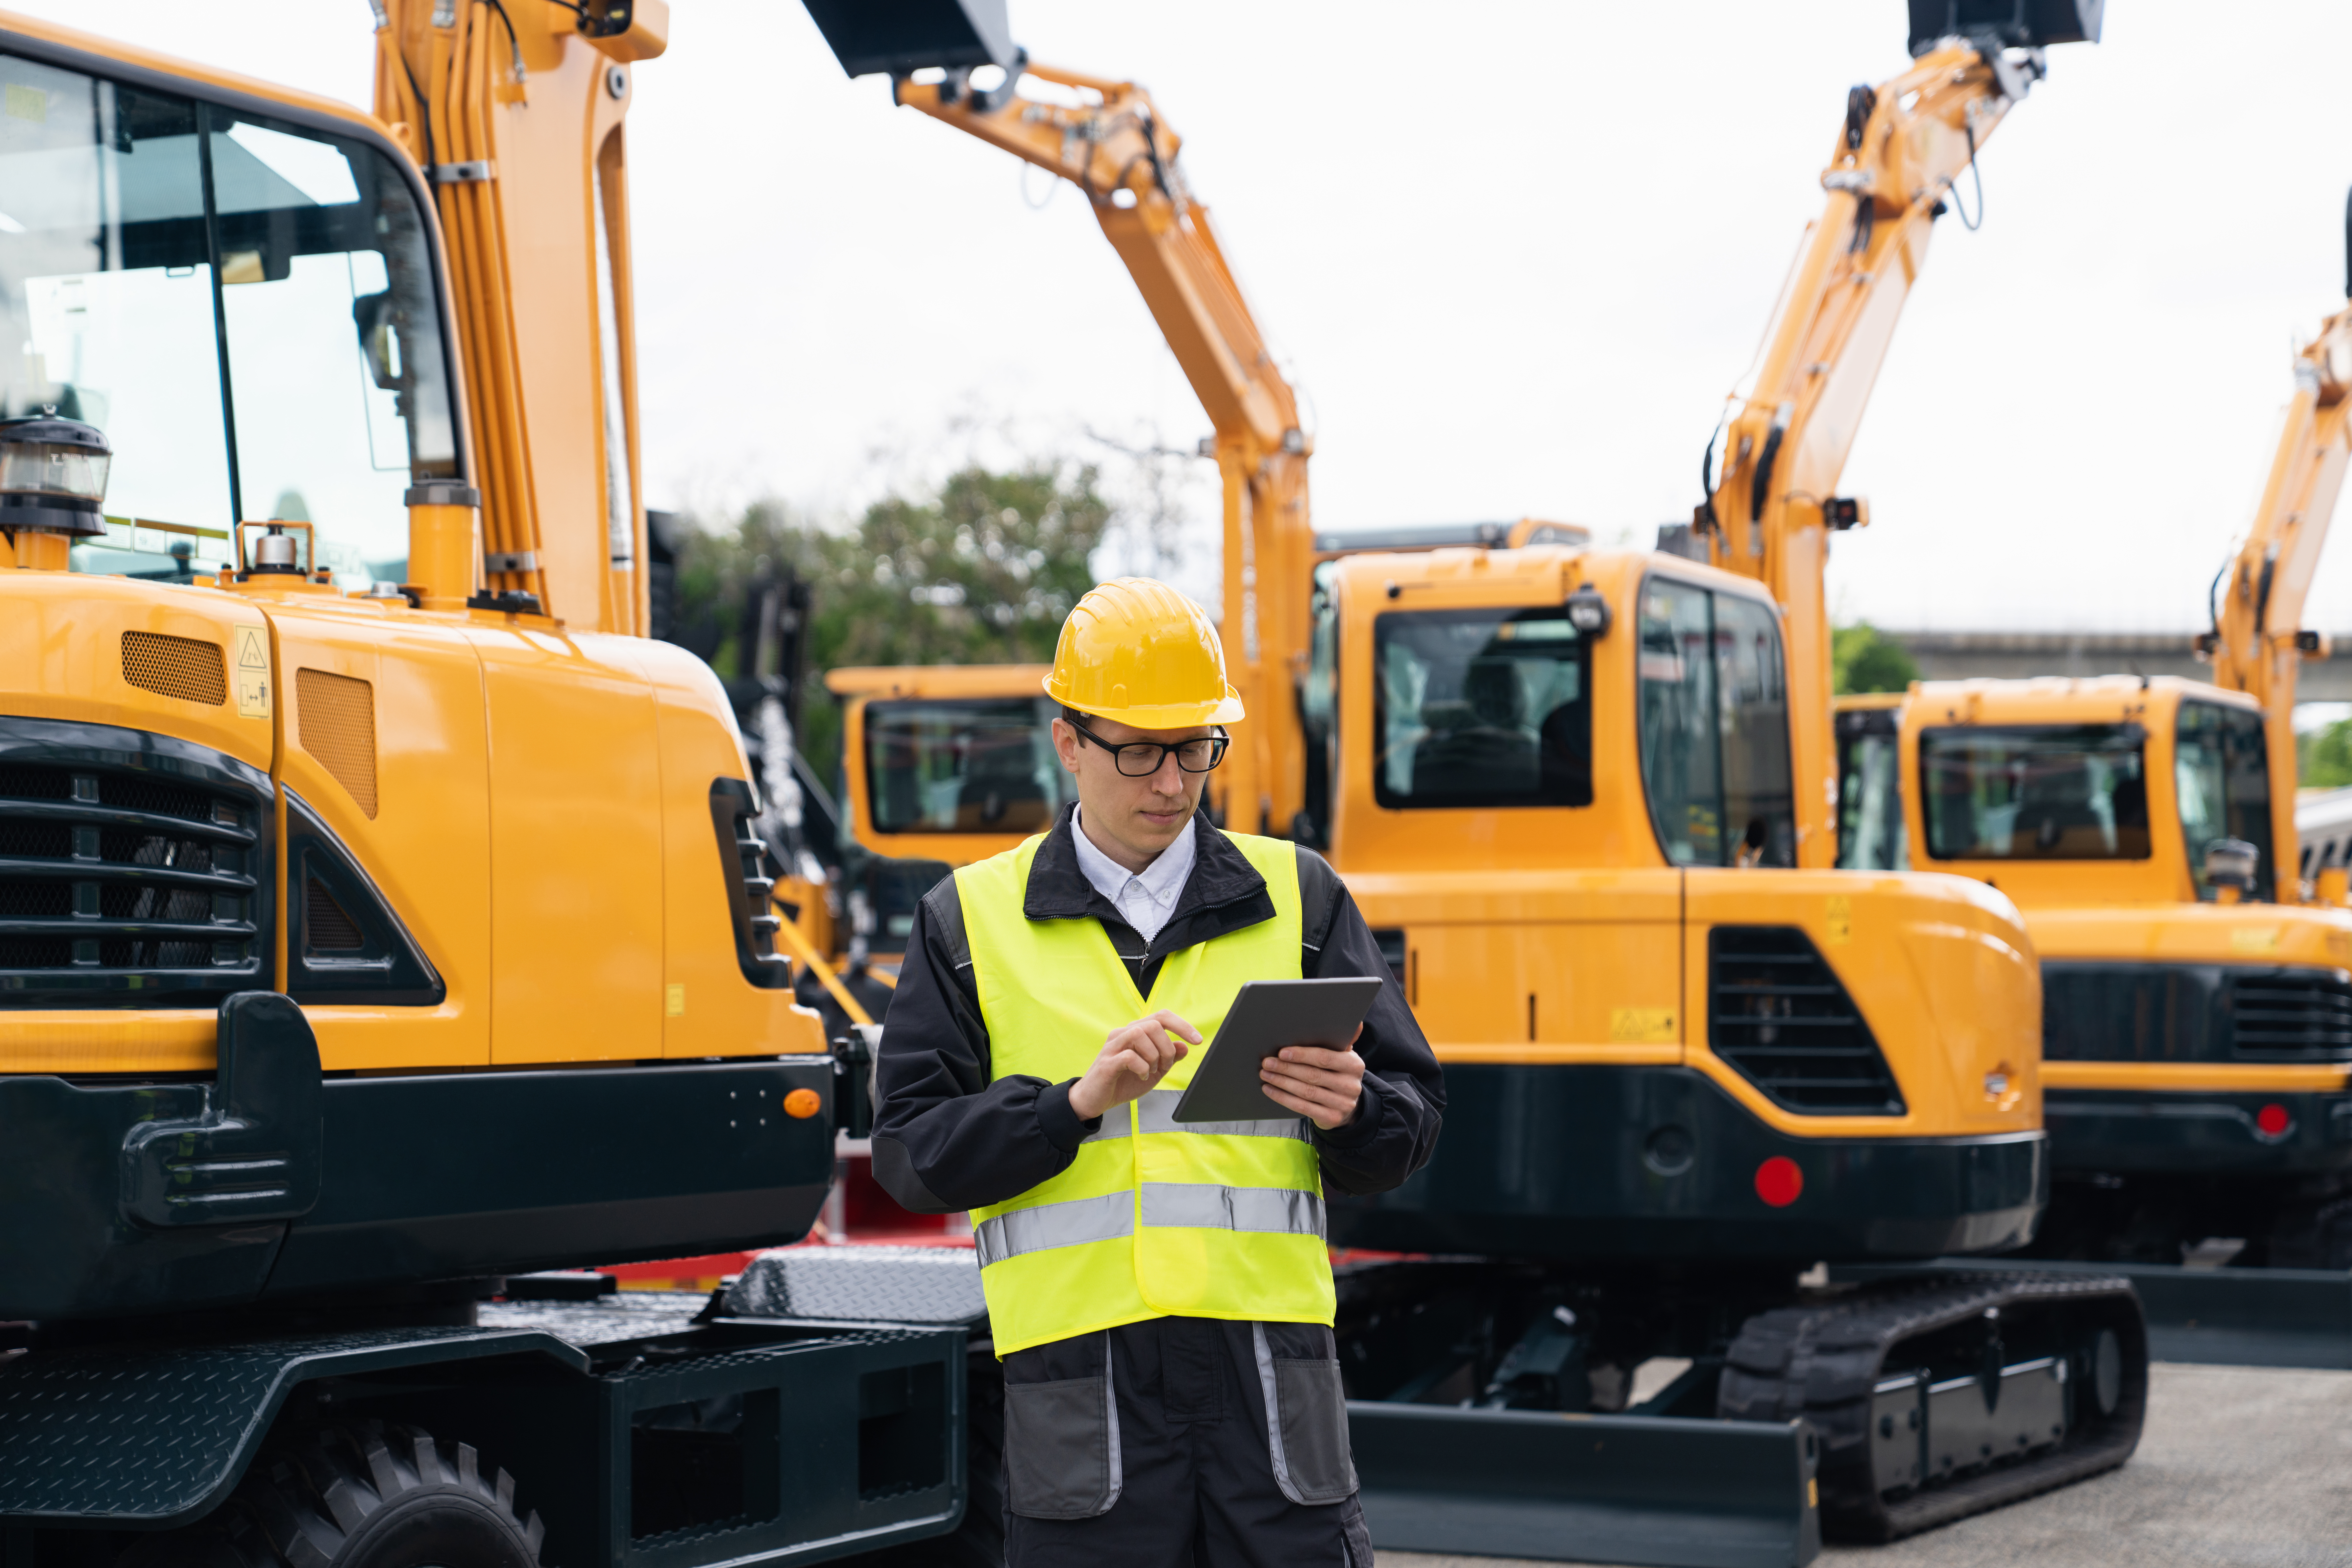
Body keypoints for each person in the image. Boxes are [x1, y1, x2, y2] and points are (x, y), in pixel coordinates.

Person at [870, 577, 1444, 1568]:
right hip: (1080, 1385)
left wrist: (1356, 1113)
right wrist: (1071, 1108)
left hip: (1269, 1376)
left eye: (1195, 749)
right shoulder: (967, 921)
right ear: (1068, 743)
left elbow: (1411, 1123)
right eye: (1138, 751)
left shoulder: (1299, 896)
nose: (1172, 784)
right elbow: (912, 1159)